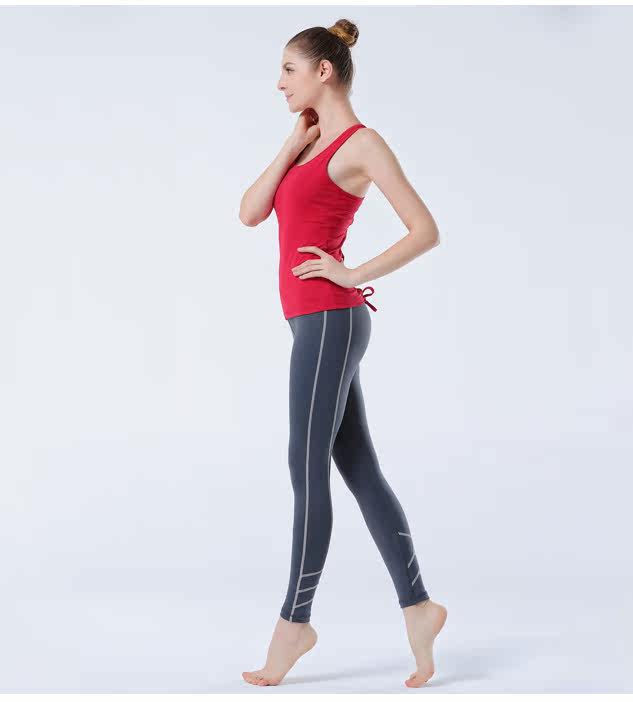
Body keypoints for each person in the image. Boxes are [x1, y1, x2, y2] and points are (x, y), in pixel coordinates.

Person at [238, 18, 447, 688]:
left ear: (322, 71)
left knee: (306, 467)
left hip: (331, 319)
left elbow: (425, 230)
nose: (279, 83)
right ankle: (420, 609)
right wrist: (291, 142)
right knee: (358, 468)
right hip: (313, 324)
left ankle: (294, 625)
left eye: (288, 71)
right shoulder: (306, 144)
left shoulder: (363, 144)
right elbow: (249, 212)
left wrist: (353, 273)